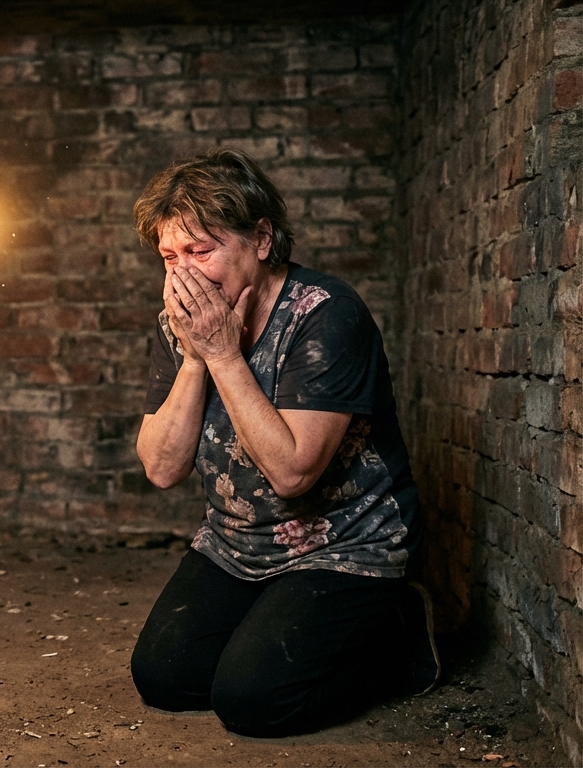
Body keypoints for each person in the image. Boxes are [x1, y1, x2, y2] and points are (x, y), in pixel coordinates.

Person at [128, 148, 437, 737]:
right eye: (170, 257)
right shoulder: (184, 321)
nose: (183, 275)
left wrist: (223, 352)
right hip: (238, 543)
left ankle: (399, 634)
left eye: (201, 250)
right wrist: (196, 358)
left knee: (253, 701)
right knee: (164, 677)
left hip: (346, 544)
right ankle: (272, 627)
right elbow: (162, 468)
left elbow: (294, 473)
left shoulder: (325, 316)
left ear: (261, 239)